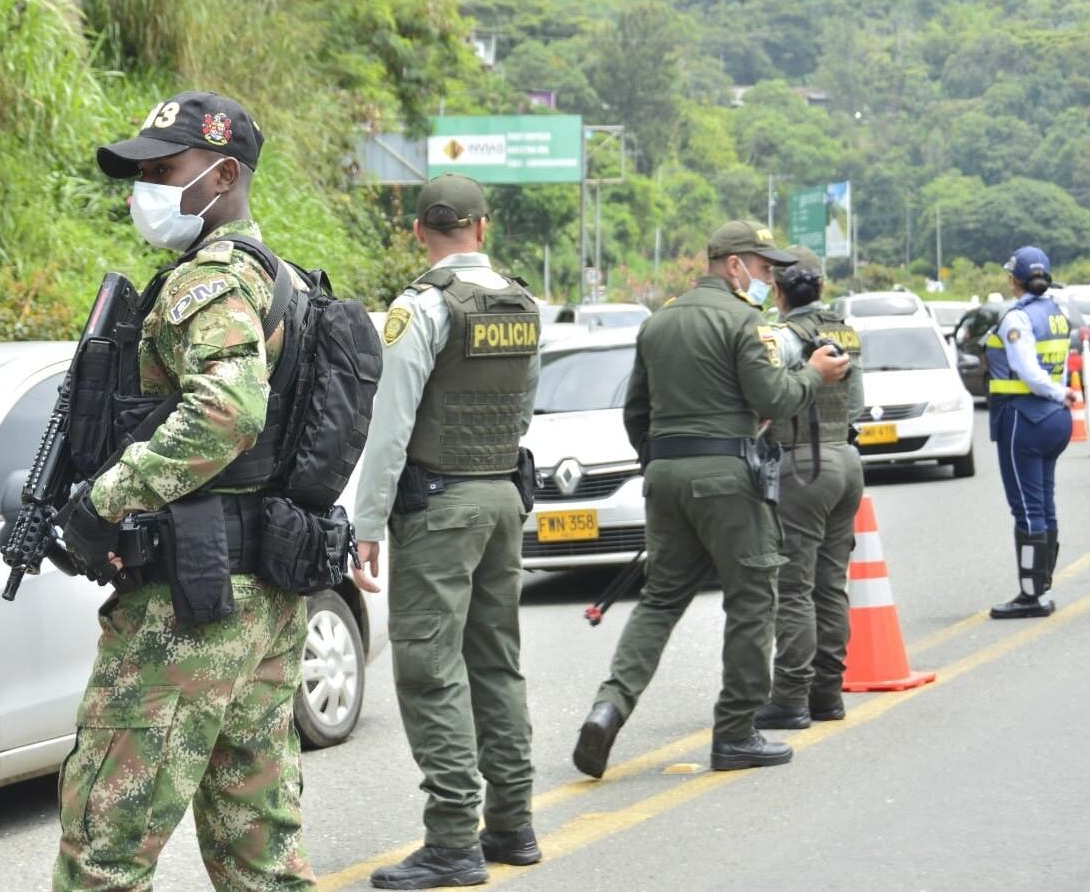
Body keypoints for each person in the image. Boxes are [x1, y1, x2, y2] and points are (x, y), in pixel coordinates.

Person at [51, 91, 315, 891]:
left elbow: (228, 410)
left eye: (166, 170)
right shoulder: (285, 280)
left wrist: (106, 499)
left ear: (223, 174)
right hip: (264, 594)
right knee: (259, 850)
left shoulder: (209, 282)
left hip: (188, 611)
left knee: (105, 848)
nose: (149, 188)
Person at [572, 221, 852, 779]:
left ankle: (610, 706)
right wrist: (815, 375)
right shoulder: (744, 322)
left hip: (667, 475)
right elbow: (773, 395)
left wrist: (664, 465)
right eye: (762, 267)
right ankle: (735, 732)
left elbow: (636, 413)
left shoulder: (659, 323)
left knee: (659, 602)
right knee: (752, 599)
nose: (767, 278)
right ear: (733, 266)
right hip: (729, 478)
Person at [351, 174, 540, 889]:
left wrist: (367, 522)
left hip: (439, 505)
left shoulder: (421, 307)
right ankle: (513, 824)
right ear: (482, 229)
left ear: (418, 230)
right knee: (496, 660)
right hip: (500, 497)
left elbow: (391, 423)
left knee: (430, 670)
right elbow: (524, 408)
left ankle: (454, 840)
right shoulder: (522, 303)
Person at [755, 247, 865, 730]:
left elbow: (769, 400)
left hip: (803, 463)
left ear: (777, 291)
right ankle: (828, 693)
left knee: (794, 587)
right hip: (845, 459)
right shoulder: (845, 330)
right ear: (821, 288)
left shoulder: (780, 337)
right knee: (831, 582)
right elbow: (857, 405)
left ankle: (792, 697)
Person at [985, 246, 1080, 620]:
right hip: (1053, 419)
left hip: (1024, 418)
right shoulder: (1056, 313)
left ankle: (1031, 595)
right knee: (1044, 503)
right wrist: (1061, 395)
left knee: (1027, 508)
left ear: (1014, 280)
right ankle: (1042, 586)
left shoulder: (1017, 318)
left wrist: (1059, 392)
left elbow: (1028, 371)